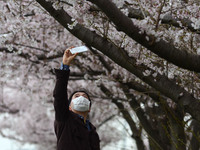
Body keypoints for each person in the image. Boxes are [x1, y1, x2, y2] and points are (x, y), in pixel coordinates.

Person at [53, 47, 100, 150]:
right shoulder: (65, 119)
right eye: (77, 96)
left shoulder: (92, 131)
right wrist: (65, 66)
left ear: (89, 108)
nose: (81, 98)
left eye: (85, 97)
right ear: (69, 107)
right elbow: (59, 96)